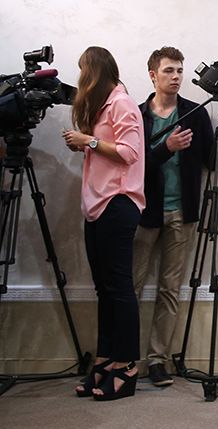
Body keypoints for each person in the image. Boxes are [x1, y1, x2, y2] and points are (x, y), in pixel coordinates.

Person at [62, 46, 145, 401]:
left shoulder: (122, 103)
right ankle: (107, 358)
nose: (80, 77)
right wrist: (87, 145)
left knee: (119, 287)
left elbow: (129, 152)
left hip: (118, 202)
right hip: (98, 205)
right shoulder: (103, 107)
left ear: (95, 71)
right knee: (105, 289)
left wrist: (89, 141)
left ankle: (127, 366)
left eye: (83, 69)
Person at [132, 47, 216, 386]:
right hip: (143, 211)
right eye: (169, 70)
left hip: (182, 213)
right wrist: (166, 148)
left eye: (180, 70)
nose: (176, 76)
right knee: (131, 286)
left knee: (169, 289)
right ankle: (124, 358)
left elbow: (213, 161)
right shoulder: (137, 115)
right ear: (153, 75)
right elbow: (132, 165)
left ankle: (158, 360)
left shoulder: (195, 113)